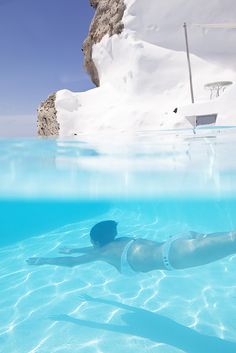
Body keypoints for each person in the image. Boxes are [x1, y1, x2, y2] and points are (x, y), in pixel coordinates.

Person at [26, 220, 236, 275]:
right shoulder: (120, 240)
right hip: (176, 244)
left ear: (97, 242)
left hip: (175, 256)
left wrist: (44, 260)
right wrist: (75, 249)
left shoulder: (104, 252)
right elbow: (96, 251)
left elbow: (72, 265)